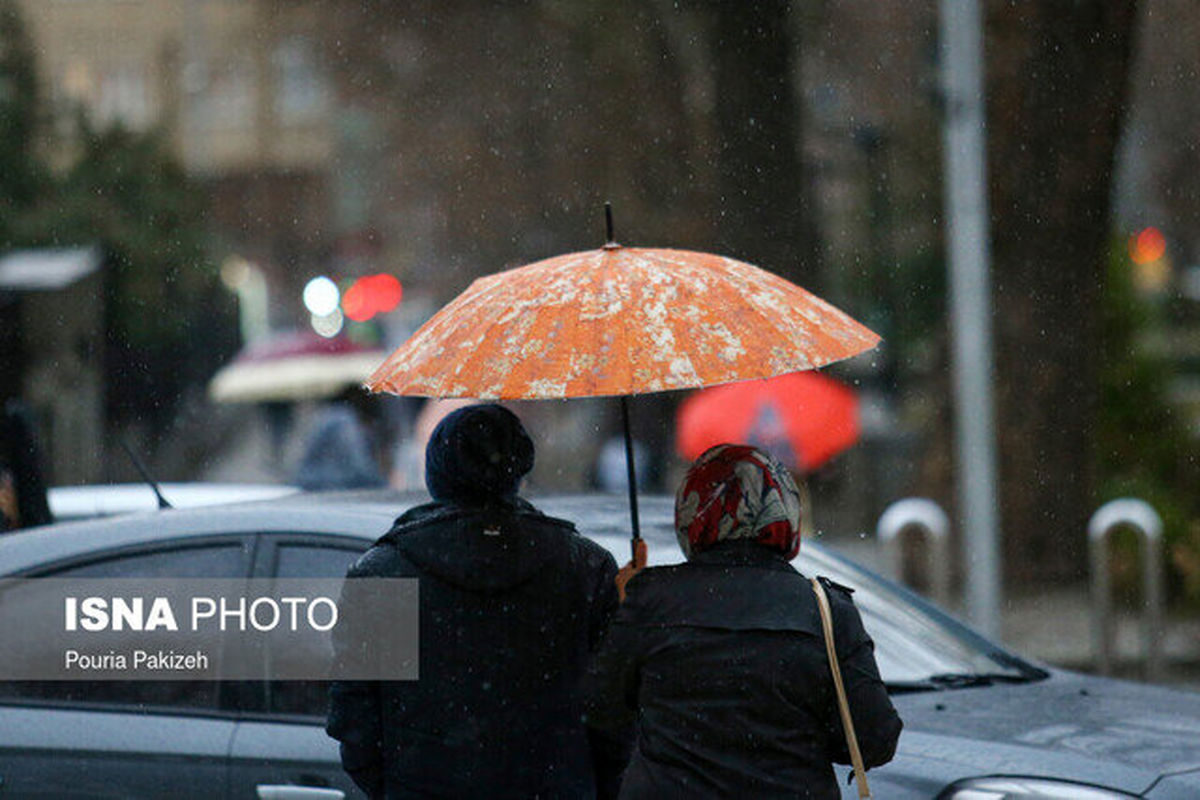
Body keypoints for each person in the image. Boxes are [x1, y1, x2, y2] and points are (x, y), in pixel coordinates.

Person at [326, 403, 627, 799]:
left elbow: (354, 721)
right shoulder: (585, 567)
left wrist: (399, 783)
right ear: (519, 470)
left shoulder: (383, 573)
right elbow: (615, 711)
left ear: (436, 473)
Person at [584, 444, 902, 799]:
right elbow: (876, 739)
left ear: (693, 513)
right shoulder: (824, 608)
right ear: (784, 511)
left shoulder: (651, 599)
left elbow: (600, 710)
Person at [291, 385, 386, 491]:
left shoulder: (328, 416)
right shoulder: (343, 419)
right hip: (328, 486)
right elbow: (357, 461)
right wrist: (379, 484)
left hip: (314, 484)